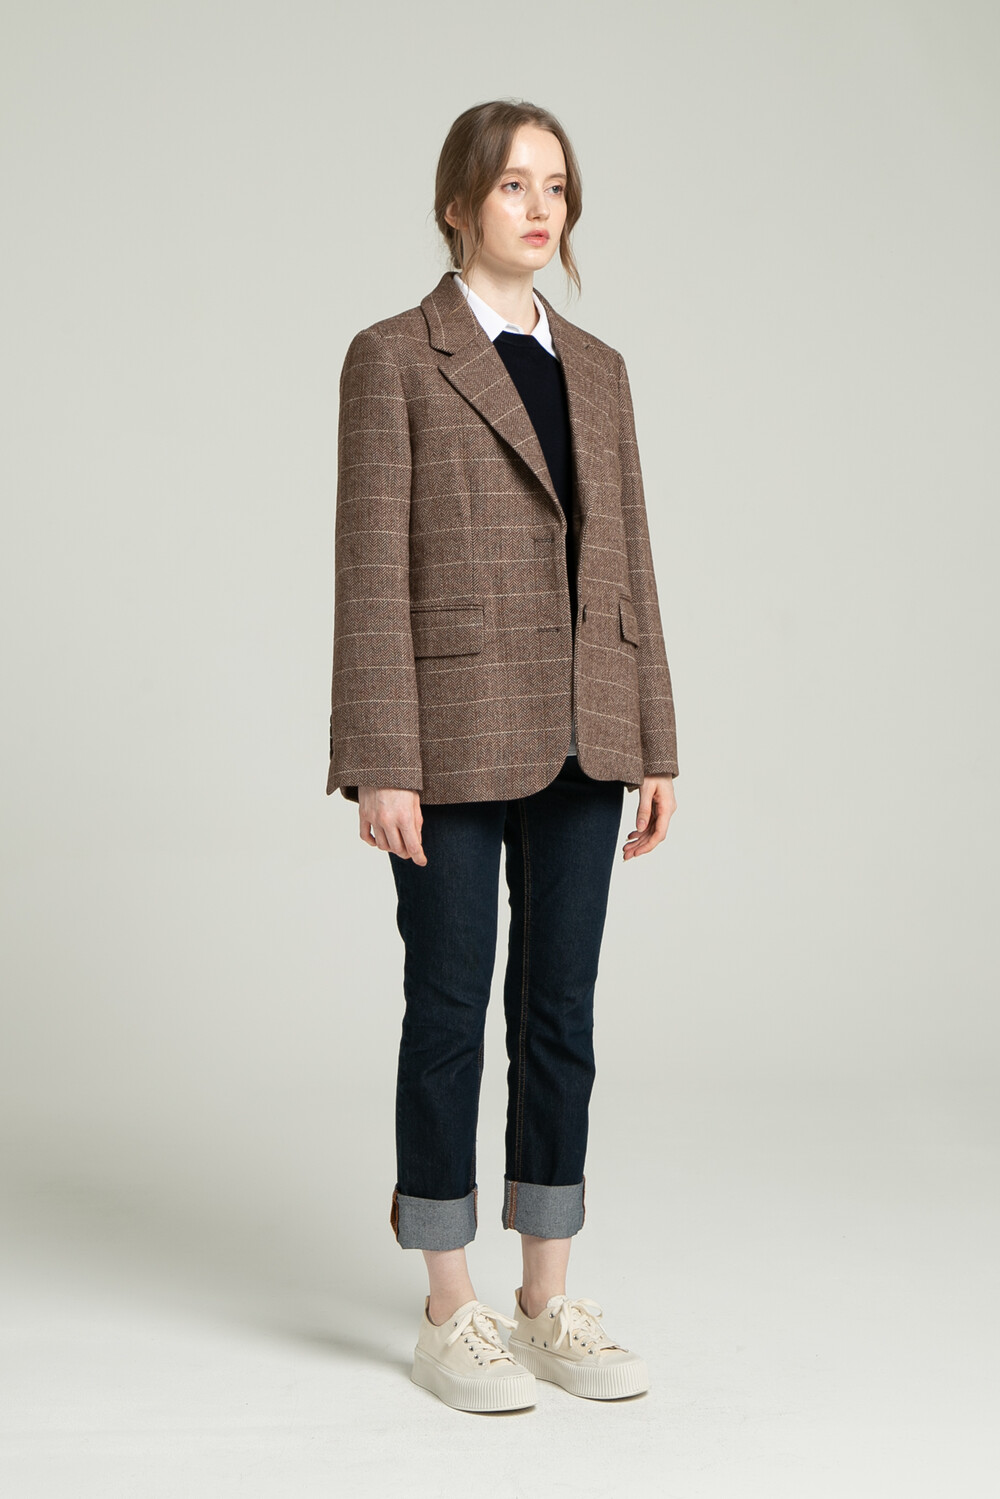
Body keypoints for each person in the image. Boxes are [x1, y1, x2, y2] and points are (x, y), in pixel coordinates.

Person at [325, 99, 679, 1412]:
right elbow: (370, 570)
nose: (540, 207)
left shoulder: (599, 368)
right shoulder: (394, 357)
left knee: (560, 1014)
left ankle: (546, 1297)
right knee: (448, 1008)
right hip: (451, 730)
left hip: (590, 725)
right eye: (514, 184)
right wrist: (381, 758)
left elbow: (629, 557)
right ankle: (450, 1305)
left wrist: (655, 738)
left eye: (557, 187)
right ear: (458, 203)